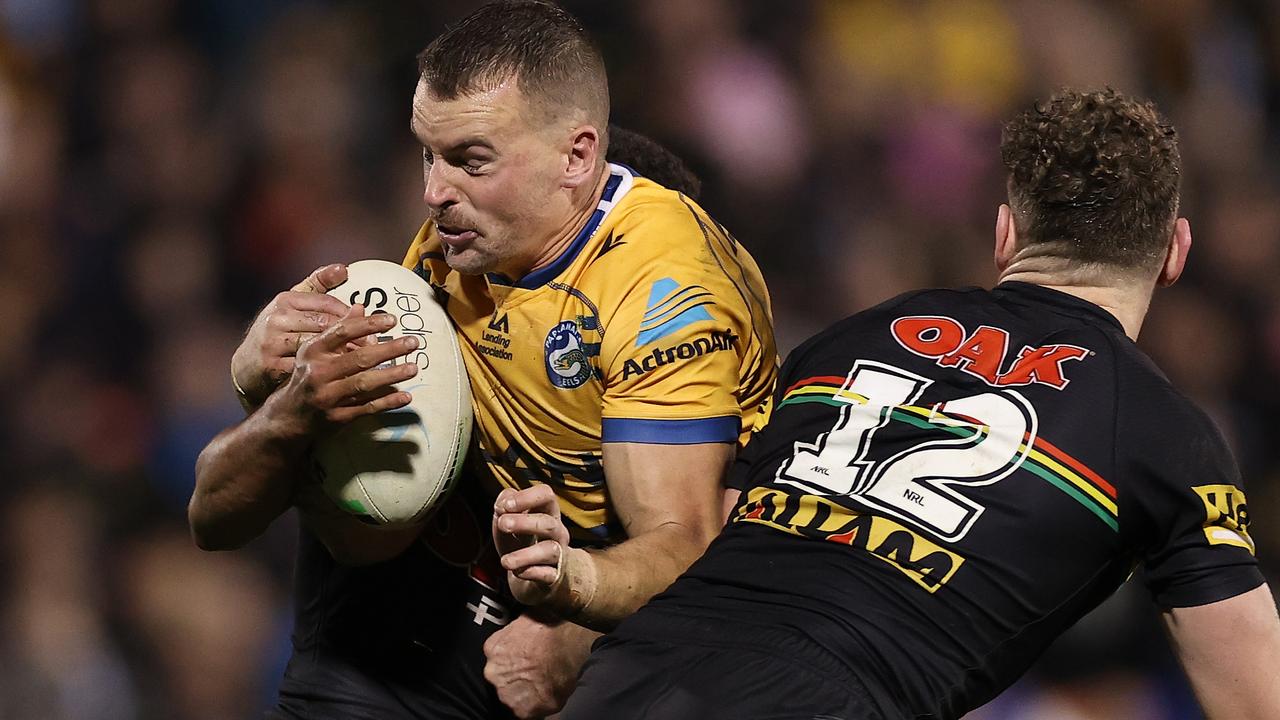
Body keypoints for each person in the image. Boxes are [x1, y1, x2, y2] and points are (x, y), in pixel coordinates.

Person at [560, 88, 1280, 720]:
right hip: (840, 696)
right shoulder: (1167, 431)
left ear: (1004, 236)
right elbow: (1256, 699)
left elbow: (714, 530)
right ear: (1176, 251)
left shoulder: (852, 337)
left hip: (635, 671)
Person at [188, 2, 776, 719]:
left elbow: (686, 544)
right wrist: (274, 400)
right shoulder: (436, 260)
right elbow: (224, 520)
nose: (433, 193)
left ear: (577, 157)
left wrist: (576, 604)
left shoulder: (664, 293)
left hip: (567, 663)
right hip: (377, 659)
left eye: (470, 160)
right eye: (428, 153)